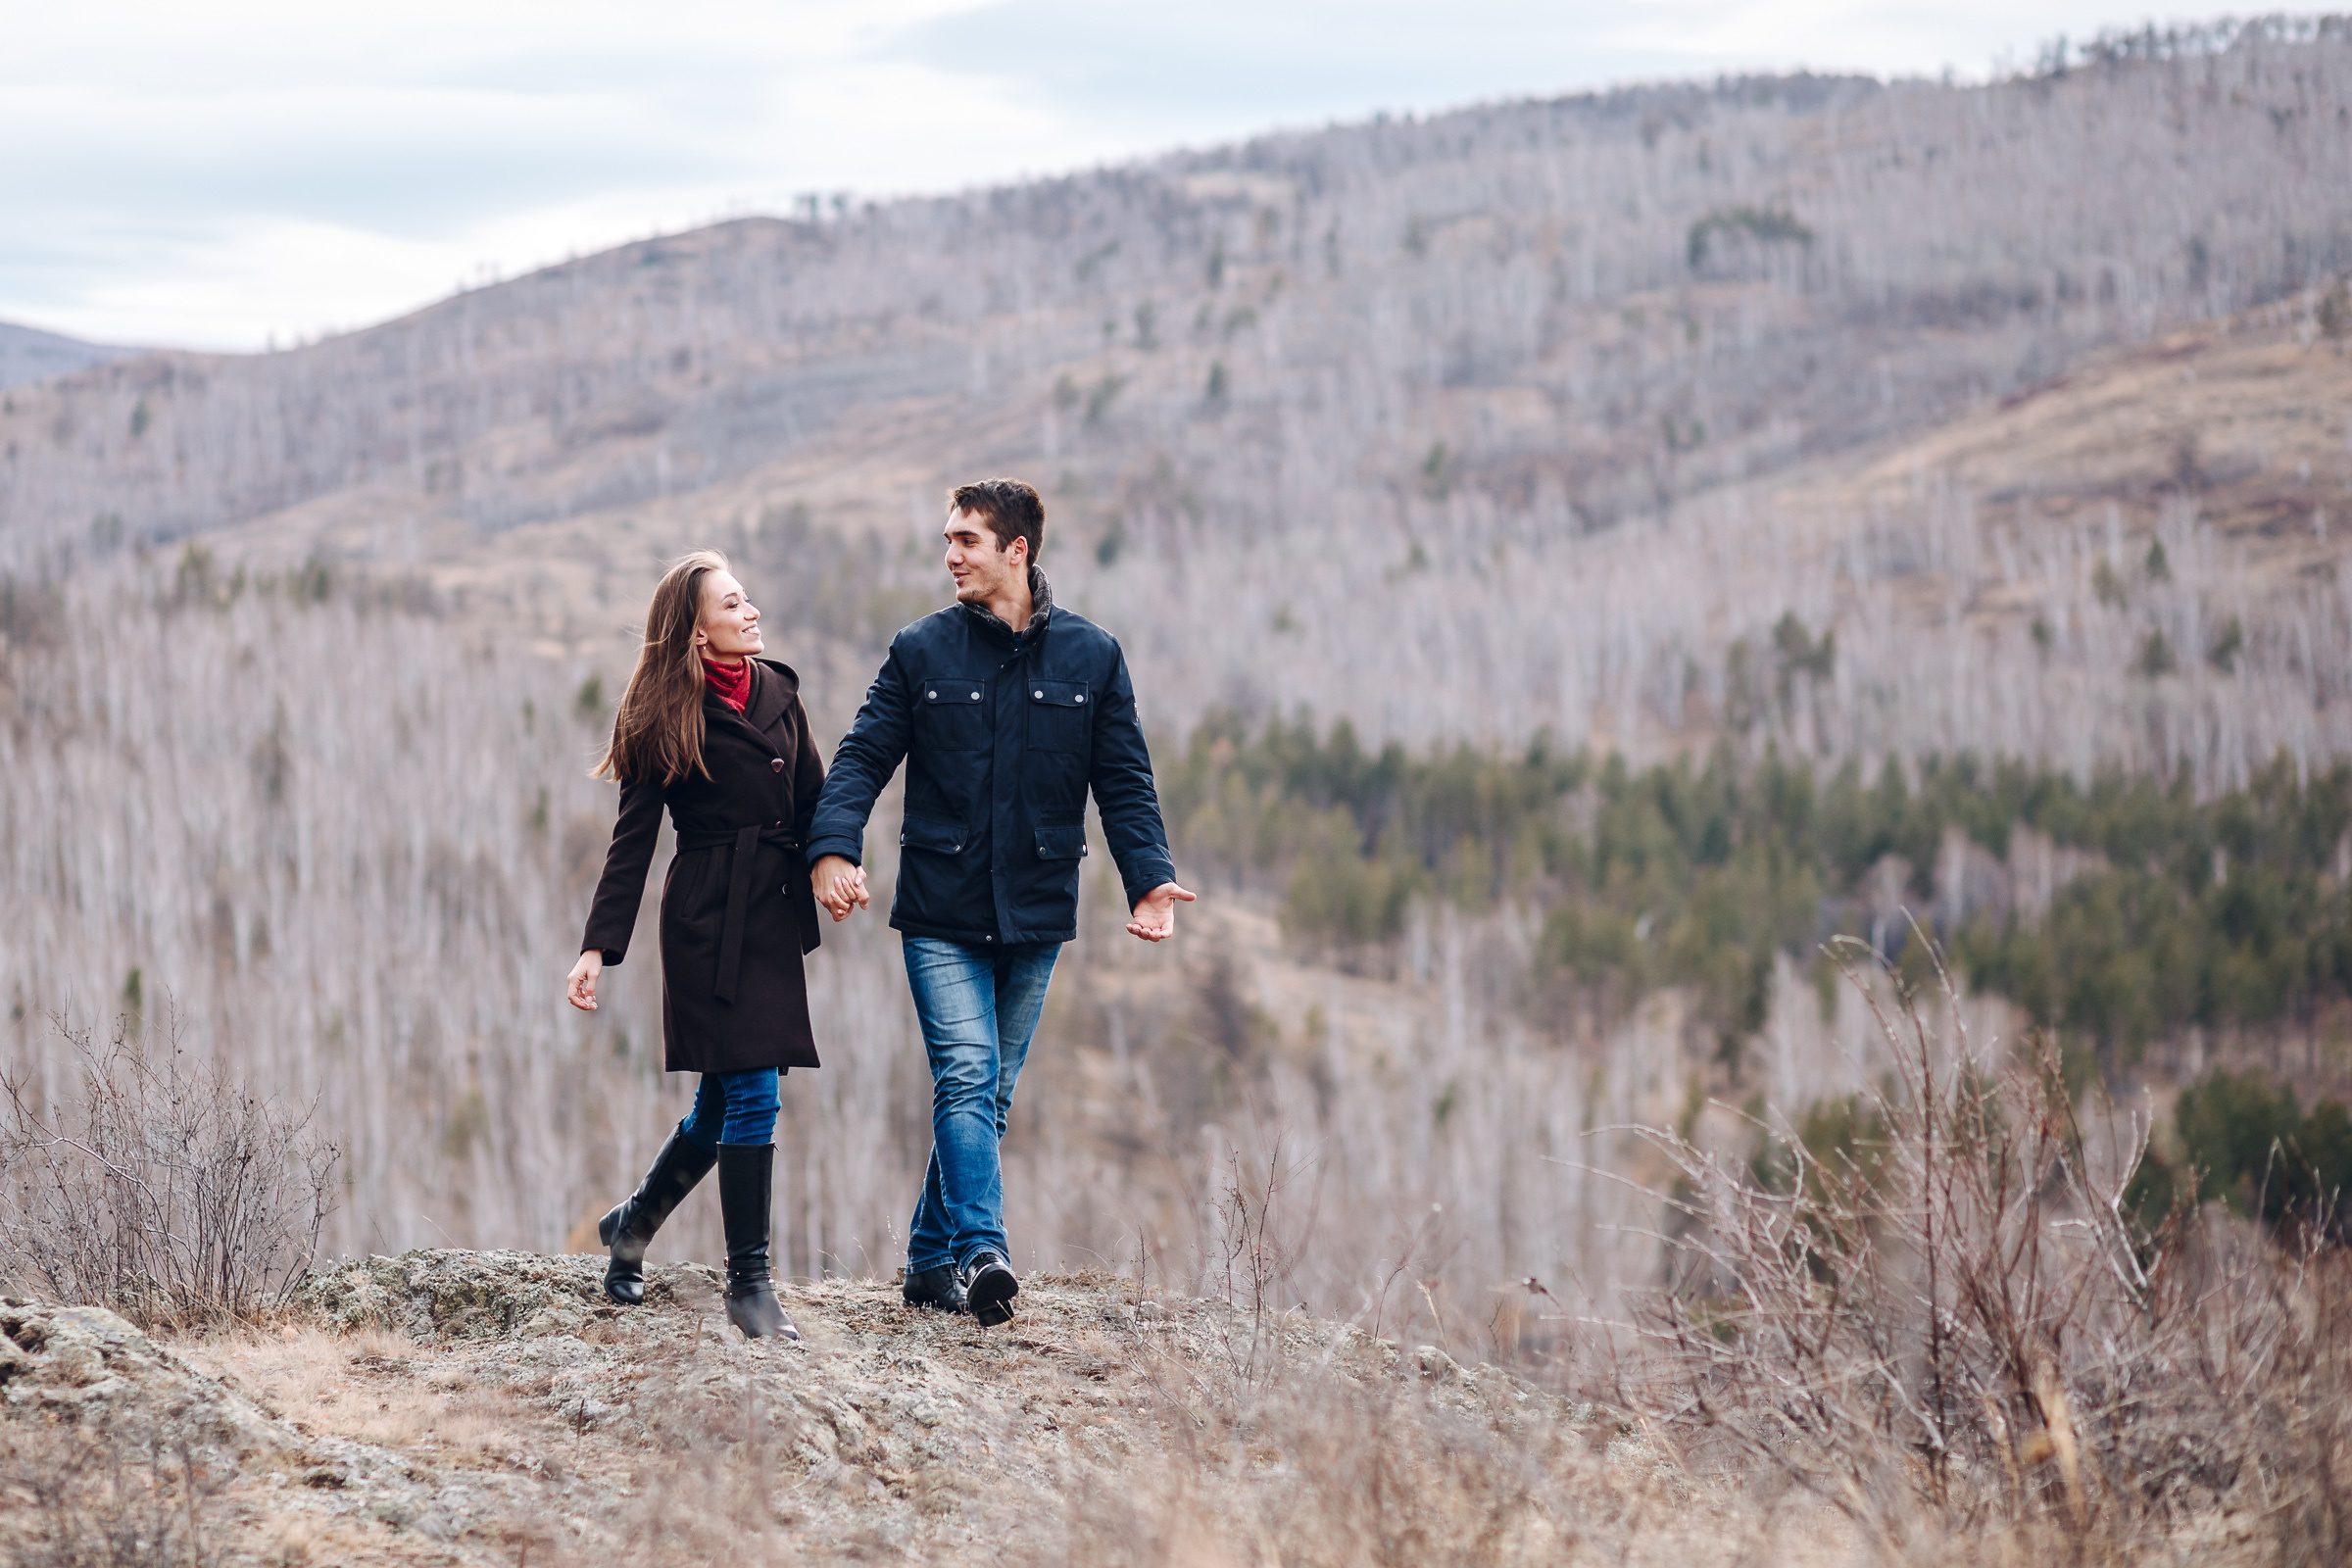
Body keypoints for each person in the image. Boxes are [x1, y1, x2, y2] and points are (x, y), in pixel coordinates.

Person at [805, 477, 1194, 1327]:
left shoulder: (1094, 657)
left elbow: (1124, 779)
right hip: (941, 910)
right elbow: (863, 755)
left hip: (1037, 910)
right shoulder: (921, 650)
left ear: (1016, 550)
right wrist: (833, 847)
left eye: (967, 541)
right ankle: (983, 1249)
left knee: (989, 1092)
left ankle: (924, 1262)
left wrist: (1150, 879)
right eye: (947, 539)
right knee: (968, 1075)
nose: (950, 555)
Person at [566, 549, 846, 1341]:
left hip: (772, 913)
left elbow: (819, 801)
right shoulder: (659, 716)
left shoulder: (781, 693)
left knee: (722, 1101)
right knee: (755, 1092)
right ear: (696, 631)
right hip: (704, 923)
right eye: (734, 603)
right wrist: (597, 949)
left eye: (747, 597)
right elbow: (632, 846)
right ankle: (748, 1286)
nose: (751, 611)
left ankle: (632, 1224)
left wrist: (836, 865)